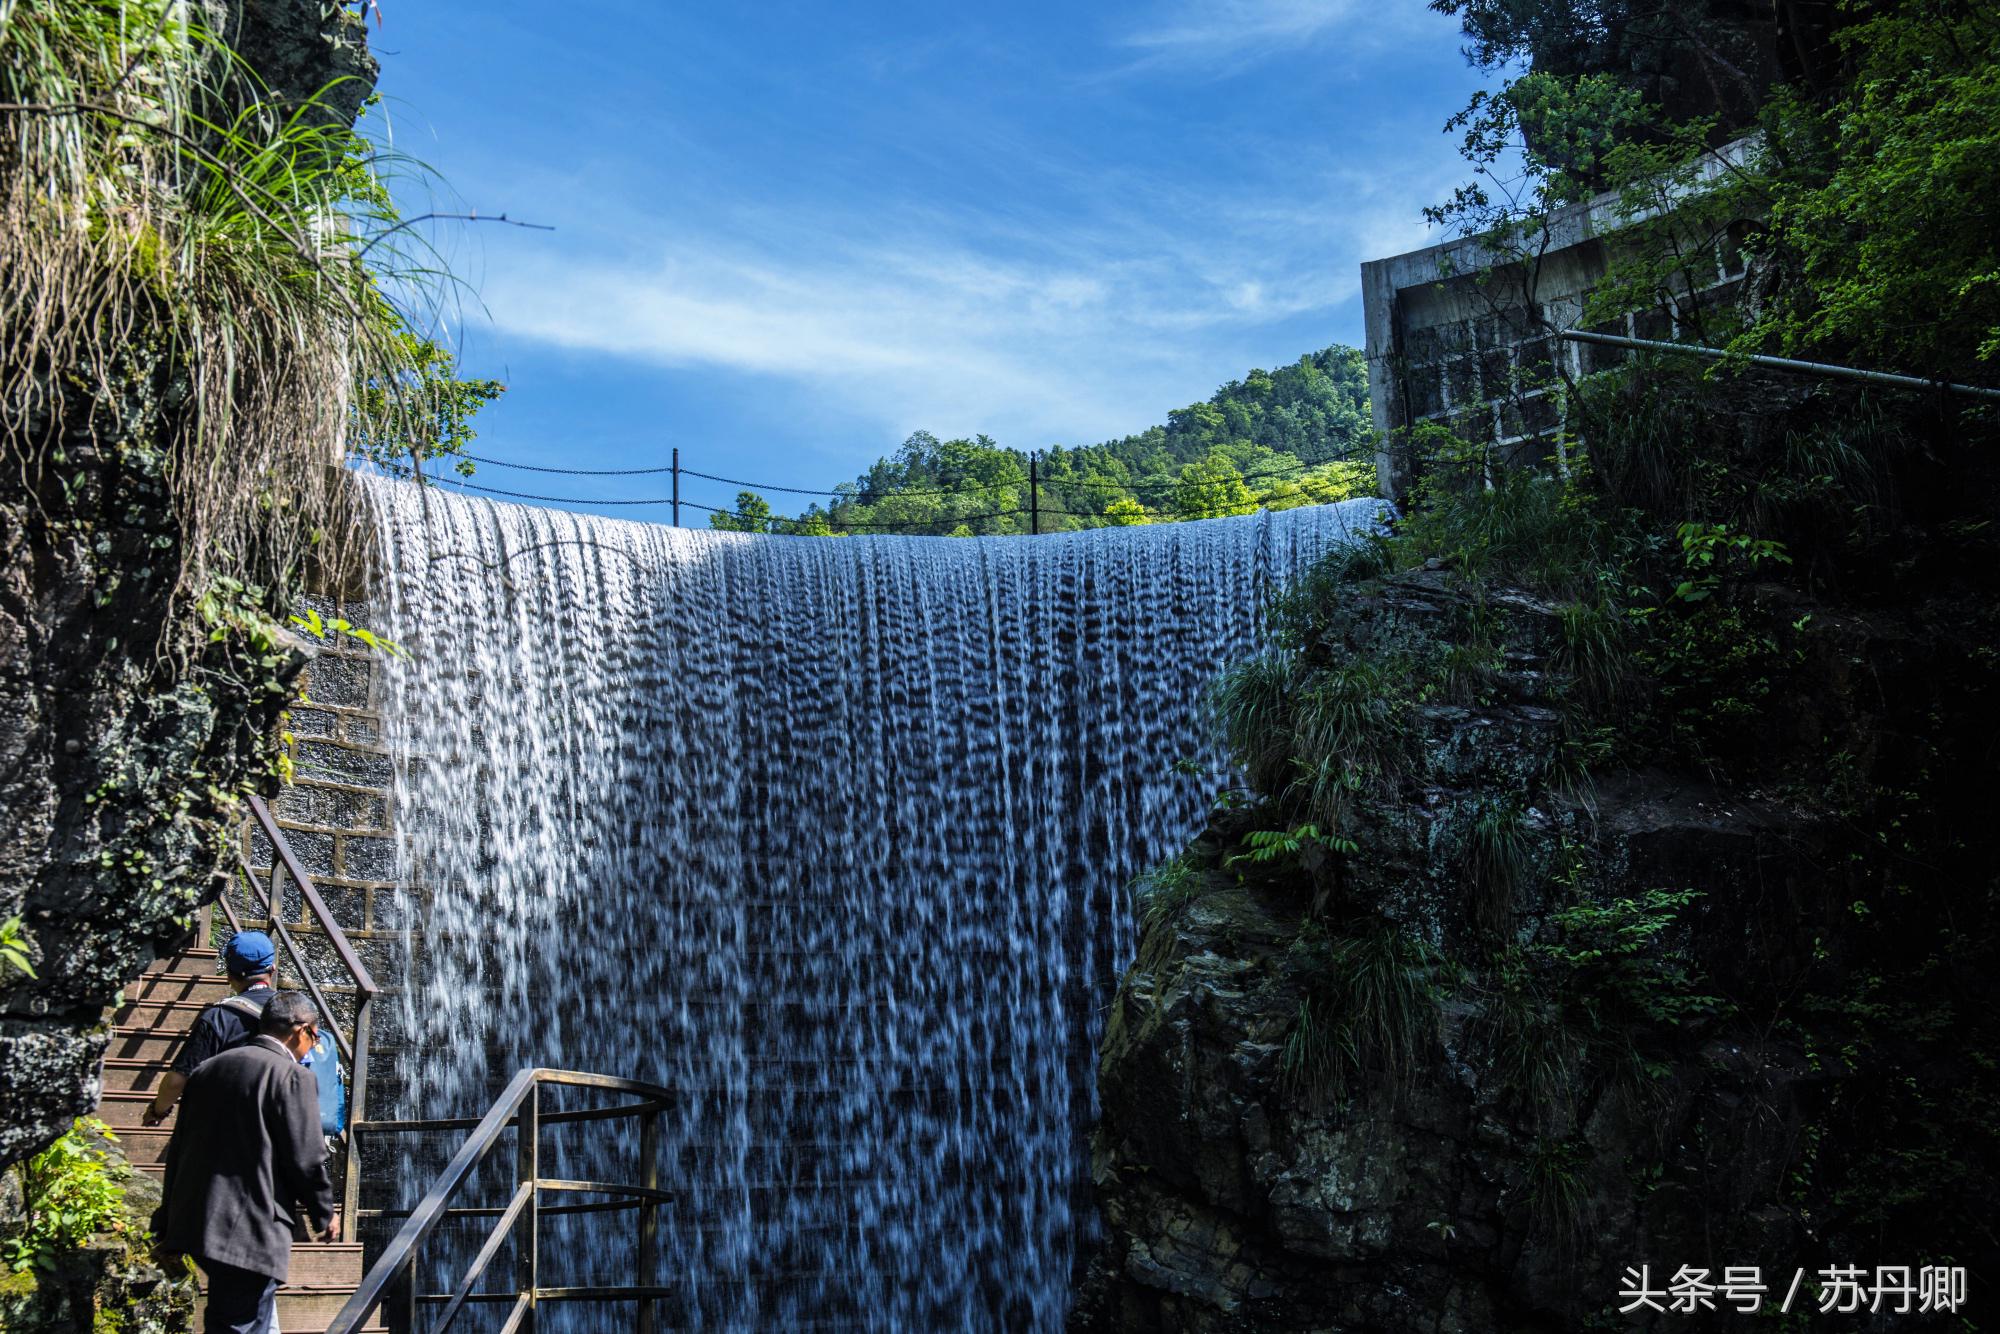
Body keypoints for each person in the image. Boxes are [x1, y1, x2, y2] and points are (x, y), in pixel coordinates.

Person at [153, 991, 339, 1334]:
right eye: (315, 1036)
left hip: (198, 1217)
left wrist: (166, 1218)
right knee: (239, 1322)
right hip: (249, 1227)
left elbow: (178, 1149)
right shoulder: (293, 1077)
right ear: (300, 1030)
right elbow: (307, 1156)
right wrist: (323, 1212)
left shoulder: (208, 1069)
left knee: (238, 1317)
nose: (313, 1047)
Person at [143, 929, 280, 1127]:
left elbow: (176, 1080)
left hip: (228, 1131)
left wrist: (158, 1111)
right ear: (272, 968)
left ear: (229, 975)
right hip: (278, 1128)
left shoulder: (219, 1017)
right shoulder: (296, 1013)